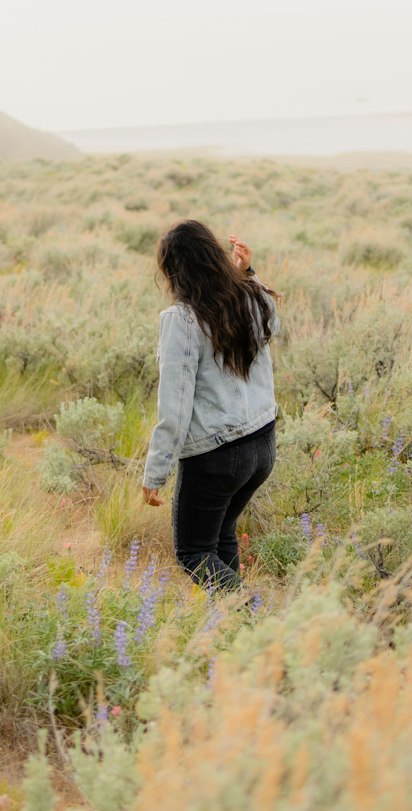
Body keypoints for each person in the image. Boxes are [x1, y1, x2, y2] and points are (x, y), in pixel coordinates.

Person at [141, 219, 277, 592]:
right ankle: (237, 631)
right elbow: (272, 322)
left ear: (174, 270)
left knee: (194, 551)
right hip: (262, 444)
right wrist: (248, 273)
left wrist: (156, 472)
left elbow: (175, 406)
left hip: (218, 456)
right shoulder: (246, 295)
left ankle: (253, 617)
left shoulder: (181, 320)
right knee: (219, 538)